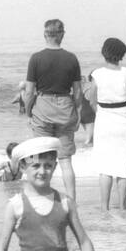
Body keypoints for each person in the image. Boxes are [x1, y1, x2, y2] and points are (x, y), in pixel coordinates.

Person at [21, 19, 83, 199]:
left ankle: (40, 196)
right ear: (62, 34)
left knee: (40, 159)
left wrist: (28, 113)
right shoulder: (71, 58)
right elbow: (77, 90)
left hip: (43, 109)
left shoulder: (36, 58)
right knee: (65, 161)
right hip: (65, 107)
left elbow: (29, 91)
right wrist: (78, 112)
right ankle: (71, 200)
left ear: (45, 34)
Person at [88, 38, 126, 211]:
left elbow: (92, 100)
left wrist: (101, 114)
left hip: (104, 119)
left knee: (105, 166)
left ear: (104, 52)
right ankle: (122, 205)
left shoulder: (98, 74)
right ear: (122, 54)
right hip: (123, 119)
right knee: (124, 166)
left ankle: (104, 206)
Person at [78, 75, 97, 146]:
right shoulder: (89, 90)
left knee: (91, 138)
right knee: (89, 139)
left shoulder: (74, 91)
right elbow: (94, 102)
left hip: (81, 115)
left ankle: (82, 151)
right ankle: (84, 151)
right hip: (89, 116)